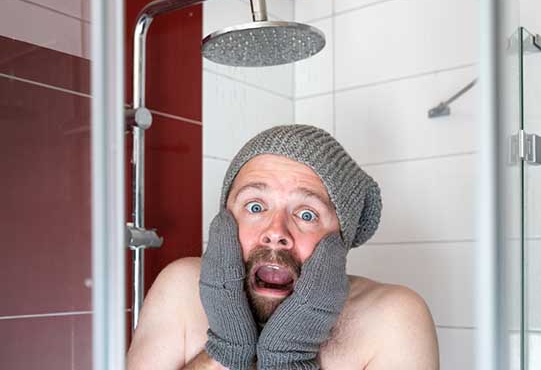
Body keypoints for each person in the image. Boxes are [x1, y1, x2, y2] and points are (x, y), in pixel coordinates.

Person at [127, 124, 439, 370]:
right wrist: (225, 353)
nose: (275, 232)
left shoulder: (393, 318)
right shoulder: (181, 287)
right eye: (255, 207)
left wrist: (288, 360)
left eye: (307, 214)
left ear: (342, 237)